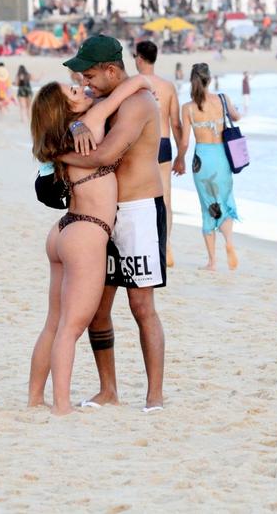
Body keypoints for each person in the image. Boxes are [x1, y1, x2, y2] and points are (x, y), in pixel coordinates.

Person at [27, 73, 153, 414]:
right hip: (87, 231)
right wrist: (142, 80)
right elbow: (128, 88)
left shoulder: (56, 140)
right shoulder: (92, 119)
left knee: (54, 322)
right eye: (73, 91)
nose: (81, 89)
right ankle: (62, 407)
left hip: (62, 230)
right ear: (65, 109)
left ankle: (35, 399)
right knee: (71, 326)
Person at [59, 35, 167, 413]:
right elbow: (75, 119)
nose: (85, 83)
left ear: (111, 70)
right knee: (97, 308)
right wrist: (75, 129)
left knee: (141, 305)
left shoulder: (138, 104)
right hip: (104, 215)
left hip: (139, 210)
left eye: (90, 75)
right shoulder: (105, 100)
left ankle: (154, 395)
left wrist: (57, 154)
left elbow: (105, 154)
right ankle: (108, 390)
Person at [174, 63, 240, 271]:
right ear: (209, 79)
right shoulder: (222, 99)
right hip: (222, 157)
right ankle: (229, 242)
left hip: (202, 159)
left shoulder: (188, 108)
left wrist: (180, 159)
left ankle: (212, 262)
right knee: (225, 200)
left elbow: (184, 142)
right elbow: (236, 117)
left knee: (208, 206)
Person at [133, 40, 181, 268]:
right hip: (164, 141)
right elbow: (176, 123)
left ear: (140, 59)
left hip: (143, 143)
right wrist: (182, 153)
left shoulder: (134, 84)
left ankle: (148, 243)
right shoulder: (168, 86)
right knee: (166, 198)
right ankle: (167, 244)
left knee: (140, 196)